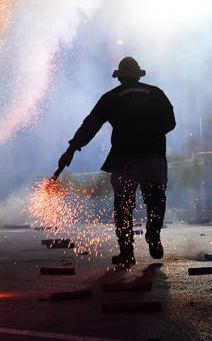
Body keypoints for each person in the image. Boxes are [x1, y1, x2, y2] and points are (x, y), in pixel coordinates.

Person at [58, 57, 175, 267]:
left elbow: (90, 126)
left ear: (120, 77)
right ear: (138, 75)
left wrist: (71, 150)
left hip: (124, 159)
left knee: (123, 206)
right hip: (153, 156)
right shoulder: (156, 93)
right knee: (156, 200)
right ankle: (153, 236)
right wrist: (150, 135)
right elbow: (170, 123)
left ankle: (127, 252)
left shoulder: (110, 98)